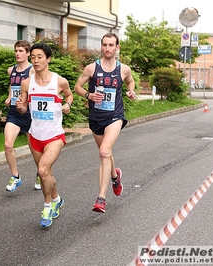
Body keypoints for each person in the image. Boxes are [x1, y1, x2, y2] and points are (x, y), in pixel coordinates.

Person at [74, 32, 136, 213]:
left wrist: (131, 91)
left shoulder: (123, 69)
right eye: (104, 45)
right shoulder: (91, 68)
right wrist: (88, 95)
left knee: (103, 152)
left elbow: (130, 82)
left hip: (115, 116)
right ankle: (115, 176)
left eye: (111, 45)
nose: (107, 48)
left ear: (117, 48)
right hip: (96, 117)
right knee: (106, 153)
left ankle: (101, 199)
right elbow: (77, 87)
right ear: (101, 46)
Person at [16, 42, 73, 227]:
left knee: (42, 170)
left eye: (40, 57)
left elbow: (69, 95)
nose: (36, 60)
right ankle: (57, 199)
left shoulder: (59, 81)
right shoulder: (26, 83)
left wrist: (67, 104)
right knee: (45, 174)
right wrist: (21, 106)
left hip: (54, 136)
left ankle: (47, 206)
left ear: (48, 59)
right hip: (35, 136)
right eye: (33, 57)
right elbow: (24, 108)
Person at [4, 40, 42, 192]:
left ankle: (41, 172)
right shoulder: (10, 70)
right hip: (14, 112)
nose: (18, 54)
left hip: (29, 114)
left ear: (28, 53)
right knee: (8, 145)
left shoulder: (33, 71)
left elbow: (39, 88)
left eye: (21, 51)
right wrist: (9, 97)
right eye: (16, 51)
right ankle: (15, 177)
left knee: (34, 150)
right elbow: (13, 86)